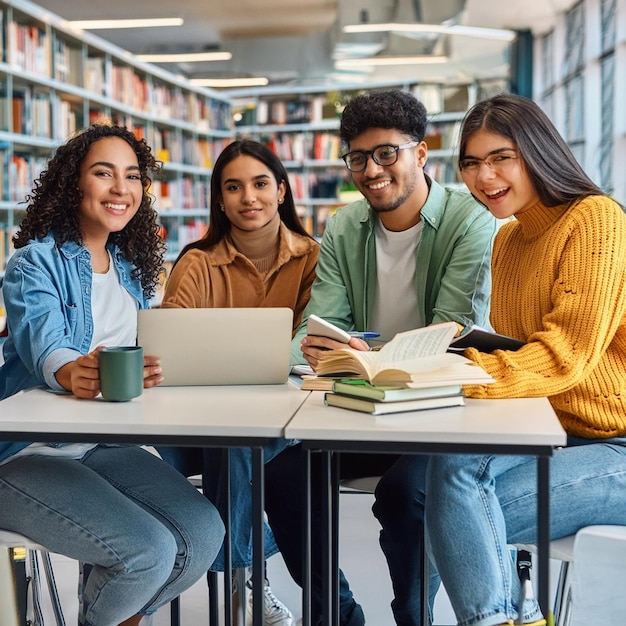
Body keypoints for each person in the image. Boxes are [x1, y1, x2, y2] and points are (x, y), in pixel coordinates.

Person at [275, 88, 498, 625]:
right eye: (357, 157)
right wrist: (310, 346)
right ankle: (339, 616)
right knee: (280, 472)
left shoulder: (473, 219)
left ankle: (412, 617)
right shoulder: (344, 226)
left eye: (386, 154)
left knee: (405, 494)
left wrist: (361, 348)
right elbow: (320, 322)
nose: (370, 170)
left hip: (437, 412)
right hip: (360, 406)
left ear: (421, 155)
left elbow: (449, 332)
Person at [0, 124, 225, 626]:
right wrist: (71, 372)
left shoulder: (129, 267)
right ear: (72, 183)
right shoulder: (32, 263)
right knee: (145, 553)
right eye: (104, 173)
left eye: (132, 176)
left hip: (101, 444)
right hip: (25, 451)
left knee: (203, 532)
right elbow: (47, 347)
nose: (121, 188)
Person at [423, 93, 626, 626]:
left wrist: (456, 376)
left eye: (500, 157)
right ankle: (515, 617)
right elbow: (521, 350)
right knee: (448, 479)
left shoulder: (595, 219)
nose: (483, 176)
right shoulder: (508, 239)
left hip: (615, 441)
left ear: (537, 152)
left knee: (446, 512)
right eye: (470, 162)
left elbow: (563, 358)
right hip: (553, 428)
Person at [158, 139, 319, 626]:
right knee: (233, 443)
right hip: (207, 420)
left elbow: (318, 338)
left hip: (288, 417)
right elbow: (168, 339)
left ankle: (237, 588)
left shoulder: (313, 257)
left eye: (260, 183)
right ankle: (246, 587)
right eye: (233, 187)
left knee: (237, 448)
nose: (248, 197)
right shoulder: (196, 262)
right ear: (220, 199)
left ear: (282, 191)